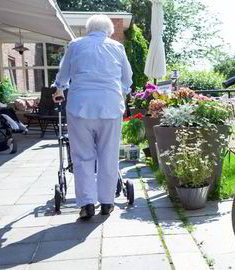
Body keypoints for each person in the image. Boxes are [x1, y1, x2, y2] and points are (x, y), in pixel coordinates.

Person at [52, 14, 133, 219]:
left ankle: (87, 204)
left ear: (88, 29)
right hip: (110, 107)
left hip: (81, 107)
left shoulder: (75, 45)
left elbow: (63, 74)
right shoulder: (117, 47)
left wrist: (60, 89)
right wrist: (119, 91)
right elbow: (127, 78)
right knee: (109, 154)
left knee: (82, 157)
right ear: (109, 31)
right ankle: (107, 202)